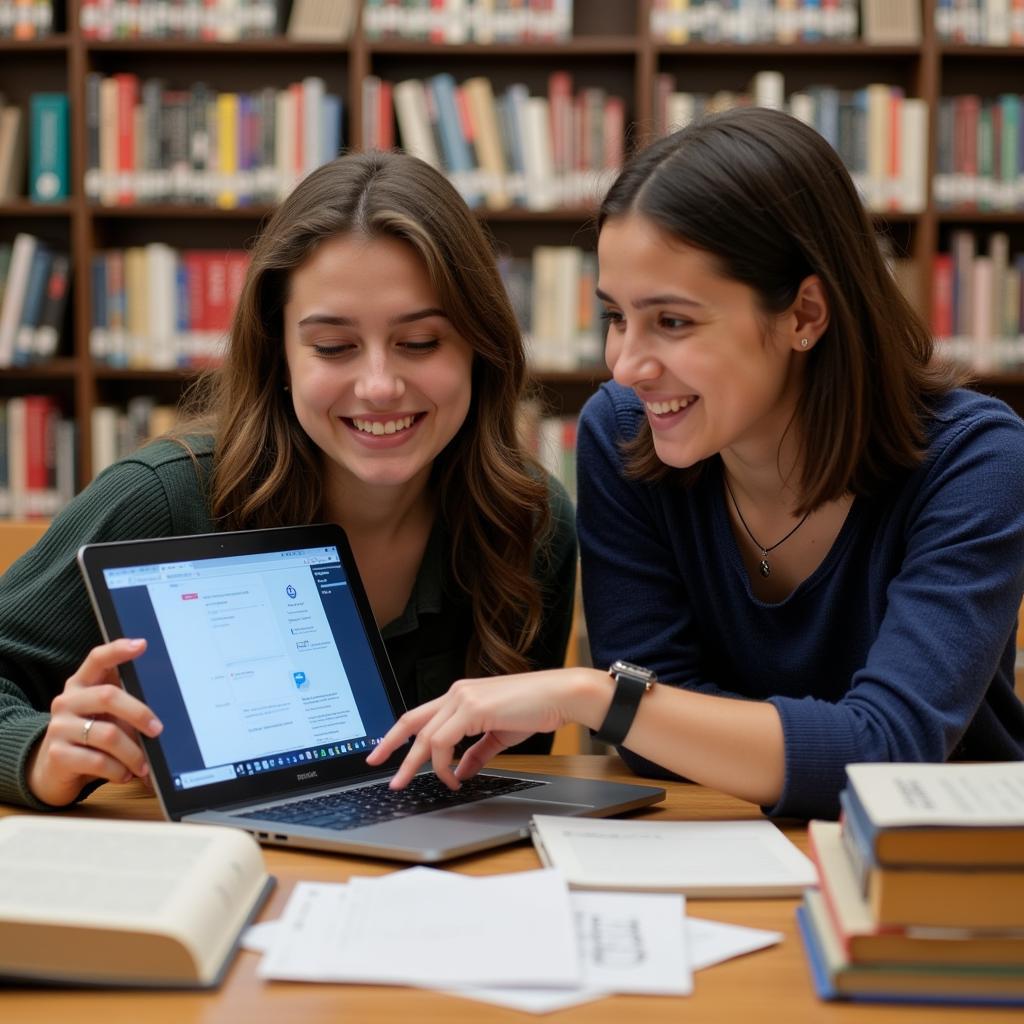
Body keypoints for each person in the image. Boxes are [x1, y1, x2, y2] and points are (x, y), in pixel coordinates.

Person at [369, 107, 1024, 820]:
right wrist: (664, 714)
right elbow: (654, 740)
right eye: (616, 317)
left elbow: (887, 752)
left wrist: (594, 695)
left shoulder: (977, 463)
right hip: (721, 848)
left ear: (805, 314)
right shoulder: (622, 438)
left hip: (947, 876)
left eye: (673, 322)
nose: (625, 366)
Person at [0, 151, 576, 810]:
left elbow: (509, 782)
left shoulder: (531, 520)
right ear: (279, 352)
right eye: (333, 347)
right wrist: (38, 750)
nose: (380, 386)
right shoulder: (162, 496)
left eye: (420, 343)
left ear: (481, 348)